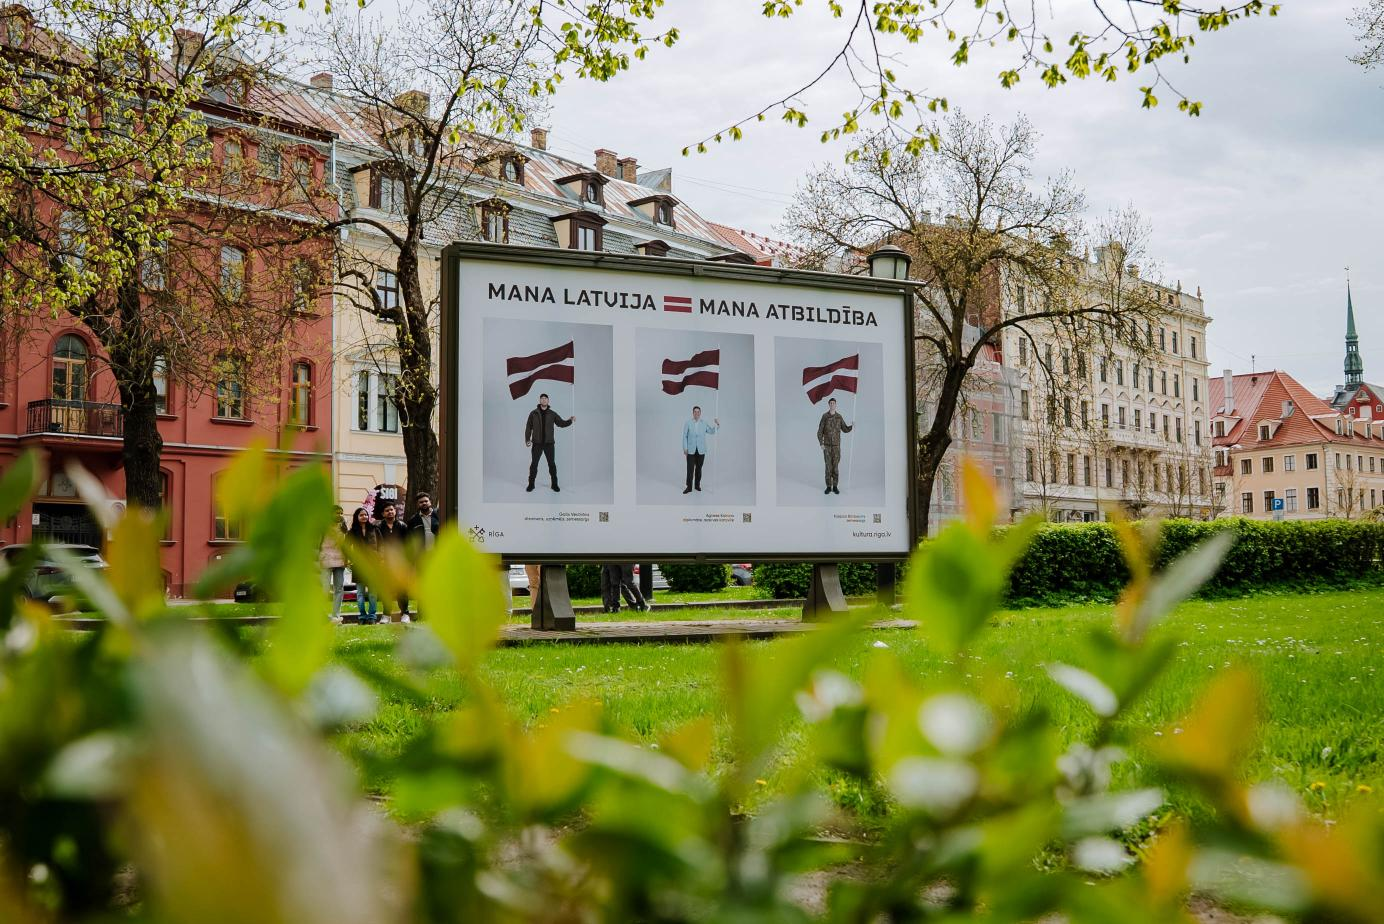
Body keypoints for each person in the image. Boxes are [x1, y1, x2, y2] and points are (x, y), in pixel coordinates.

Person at [524, 393, 574, 493]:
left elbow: (561, 423)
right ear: (539, 400)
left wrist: (570, 421)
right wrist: (527, 439)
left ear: (548, 401)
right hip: (537, 444)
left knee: (552, 464)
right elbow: (528, 427)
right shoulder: (533, 413)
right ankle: (531, 484)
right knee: (534, 464)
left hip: (549, 444)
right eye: (542, 398)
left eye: (545, 398)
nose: (544, 400)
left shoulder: (552, 414)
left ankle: (554, 484)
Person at [376, 502, 410, 619]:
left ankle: (405, 613)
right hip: (385, 563)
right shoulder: (379, 527)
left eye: (391, 509)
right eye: (387, 510)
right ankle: (386, 614)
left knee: (402, 589)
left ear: (395, 511)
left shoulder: (402, 526)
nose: (390, 512)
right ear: (383, 514)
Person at [345, 507, 378, 624]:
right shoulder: (352, 532)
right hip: (359, 566)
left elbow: (382, 545)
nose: (364, 517)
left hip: (373, 565)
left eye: (366, 514)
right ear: (357, 517)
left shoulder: (374, 529)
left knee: (373, 593)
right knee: (360, 593)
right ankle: (362, 617)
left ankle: (372, 617)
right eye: (361, 515)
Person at [816, 397, 854, 495]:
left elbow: (844, 429)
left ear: (836, 405)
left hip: (836, 446)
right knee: (828, 467)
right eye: (831, 403)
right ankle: (828, 486)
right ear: (829, 404)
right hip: (827, 446)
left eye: (834, 403)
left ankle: (835, 486)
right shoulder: (825, 416)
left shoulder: (839, 417)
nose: (832, 404)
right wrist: (821, 443)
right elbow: (820, 431)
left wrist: (851, 427)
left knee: (835, 467)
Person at [681, 405, 719, 494]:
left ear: (700, 413)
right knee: (690, 469)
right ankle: (689, 487)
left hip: (701, 450)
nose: (697, 413)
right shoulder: (688, 423)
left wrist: (717, 425)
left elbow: (711, 431)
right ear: (693, 413)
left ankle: (697, 485)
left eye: (698, 412)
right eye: (695, 412)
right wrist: (685, 448)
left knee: (699, 468)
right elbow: (684, 436)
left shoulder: (704, 423)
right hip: (690, 450)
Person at [320, 505, 348, 622]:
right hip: (325, 559)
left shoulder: (344, 527)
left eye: (341, 513)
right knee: (324, 589)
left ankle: (336, 615)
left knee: (339, 589)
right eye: (337, 513)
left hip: (340, 560)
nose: (339, 515)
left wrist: (347, 558)